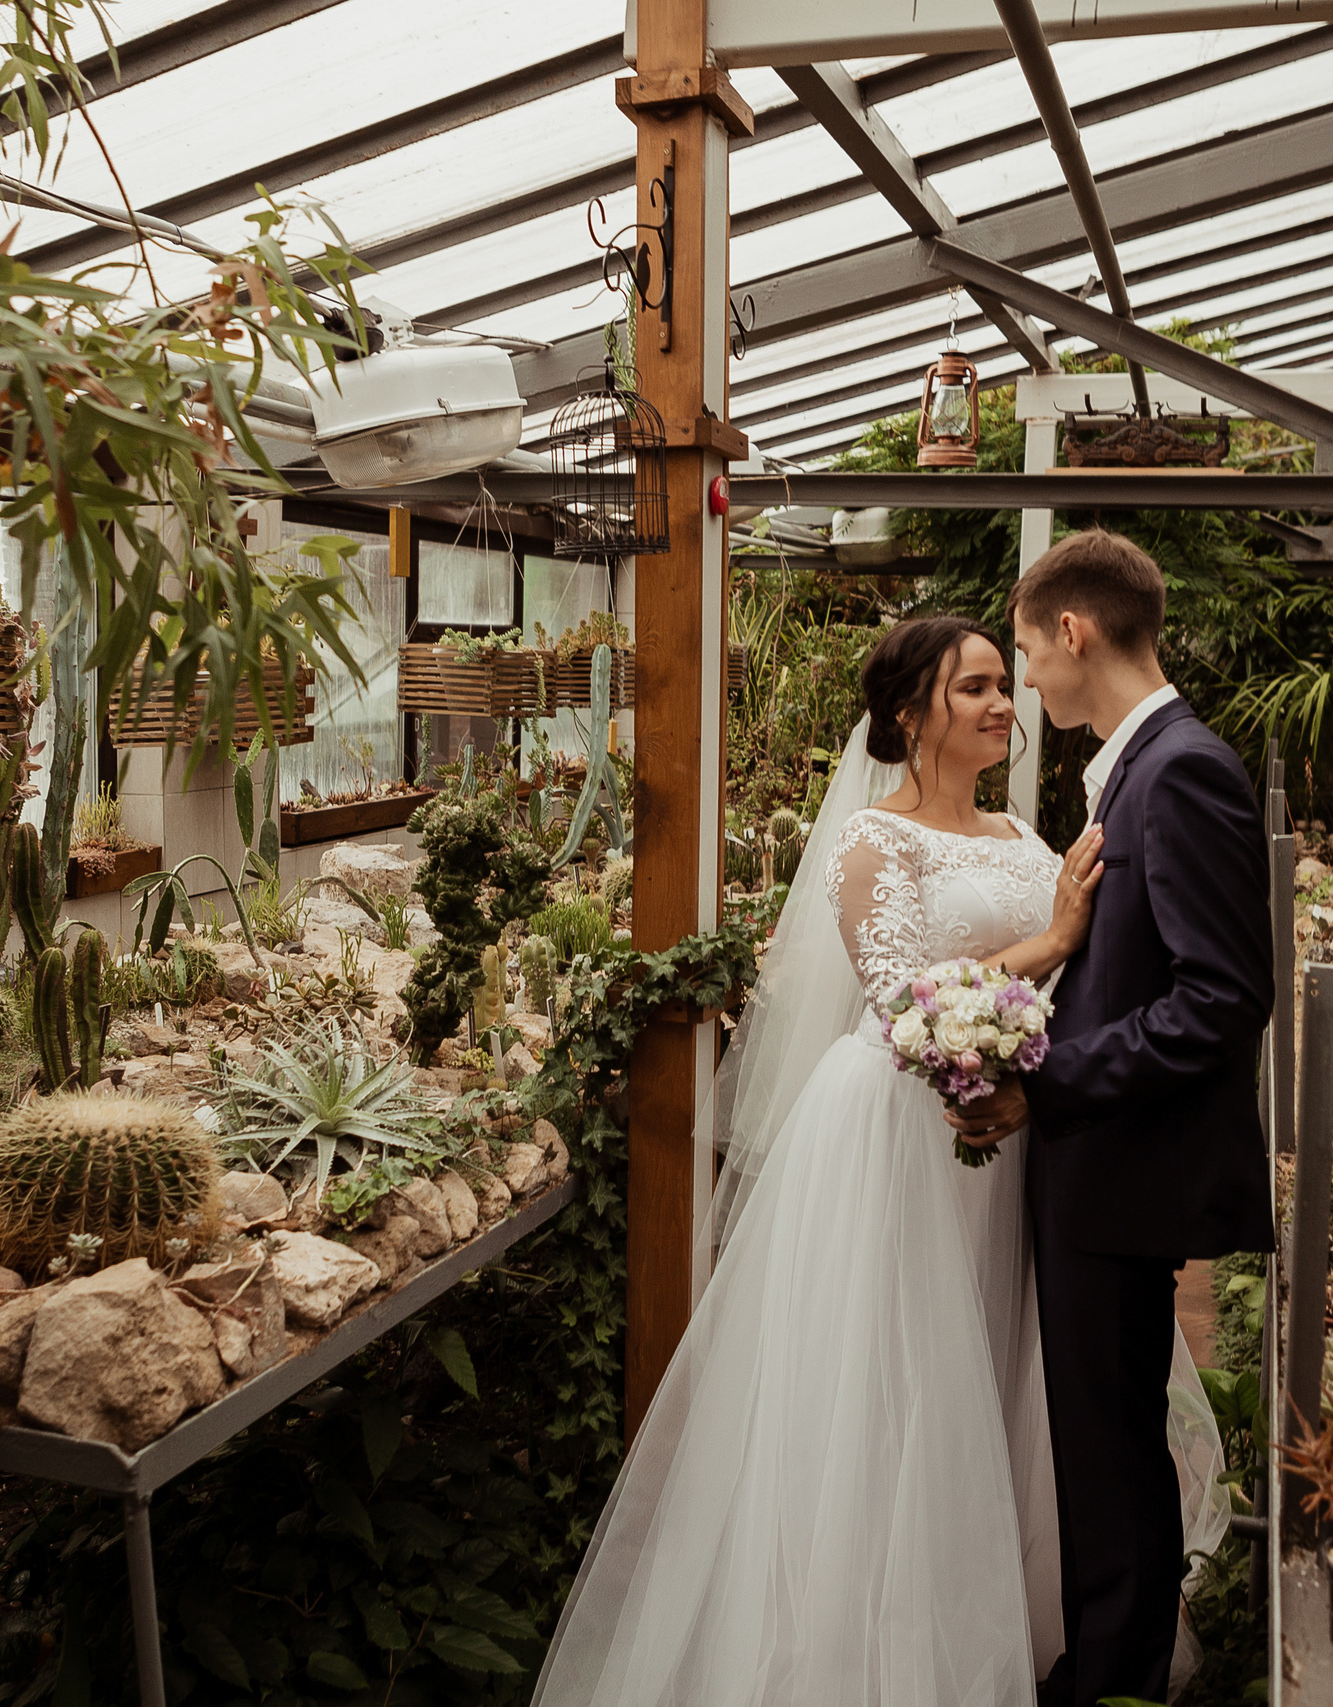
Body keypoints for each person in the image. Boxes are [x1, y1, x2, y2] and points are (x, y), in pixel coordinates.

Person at [533, 614, 1226, 1707]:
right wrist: (1047, 943)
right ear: (912, 714)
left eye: (1007, 684)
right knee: (896, 1390)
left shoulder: (1022, 833)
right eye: (975, 689)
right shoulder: (871, 842)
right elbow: (903, 1000)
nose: (1004, 704)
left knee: (999, 1381)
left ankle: (1013, 1627)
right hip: (894, 1142)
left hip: (1011, 1146)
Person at [954, 531, 1276, 1704]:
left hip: (1123, 1172)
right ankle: (1107, 1665)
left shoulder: (1177, 768)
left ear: (1075, 633)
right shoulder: (1143, 766)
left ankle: (1114, 1682)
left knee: (1108, 1453)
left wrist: (1047, 1081)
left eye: (1030, 652)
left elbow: (1222, 999)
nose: (1029, 680)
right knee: (1105, 1446)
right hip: (1106, 1172)